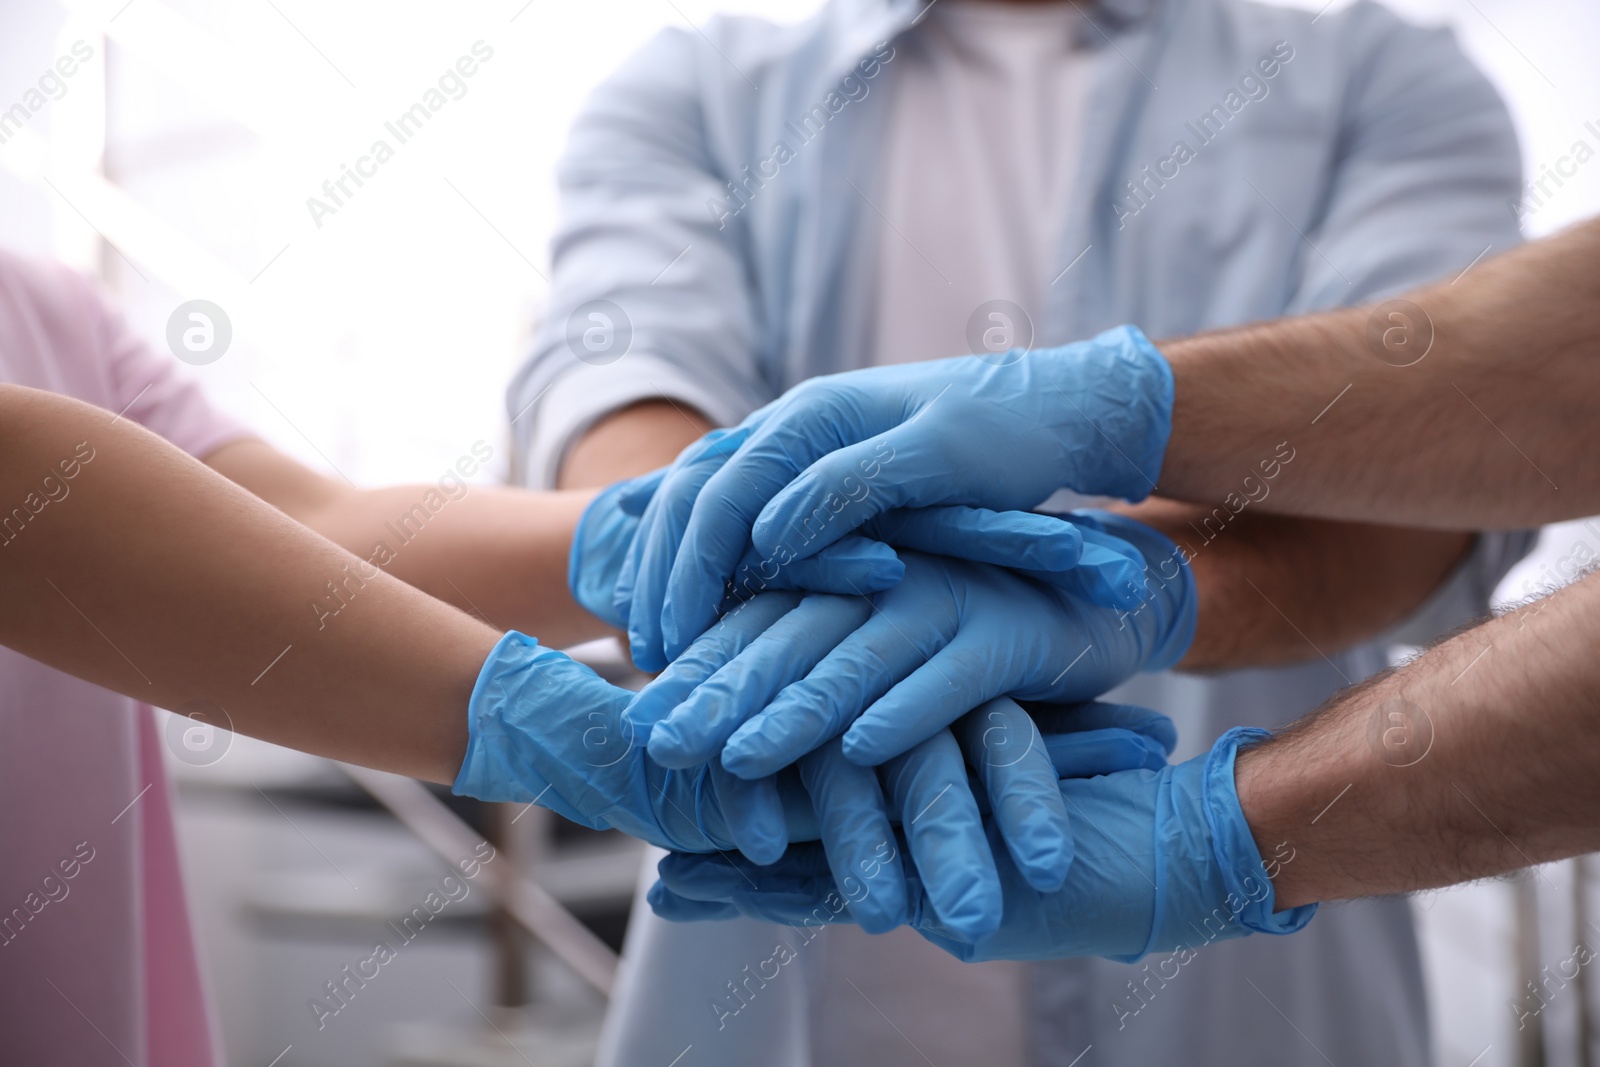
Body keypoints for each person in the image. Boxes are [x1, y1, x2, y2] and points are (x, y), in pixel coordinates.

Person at [512, 0, 1527, 1062]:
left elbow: (1429, 483)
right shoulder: (696, 94)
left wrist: (1100, 599)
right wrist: (765, 595)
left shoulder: (1373, 80)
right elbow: (621, 401)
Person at [0, 250, 1140, 1064]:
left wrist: (643, 540)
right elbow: (38, 505)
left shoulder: (47, 304)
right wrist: (592, 737)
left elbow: (298, 539)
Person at [647, 213, 1600, 984]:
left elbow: (1457, 476)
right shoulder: (696, 82)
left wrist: (1224, 825)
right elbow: (1551, 371)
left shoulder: (1375, 70)